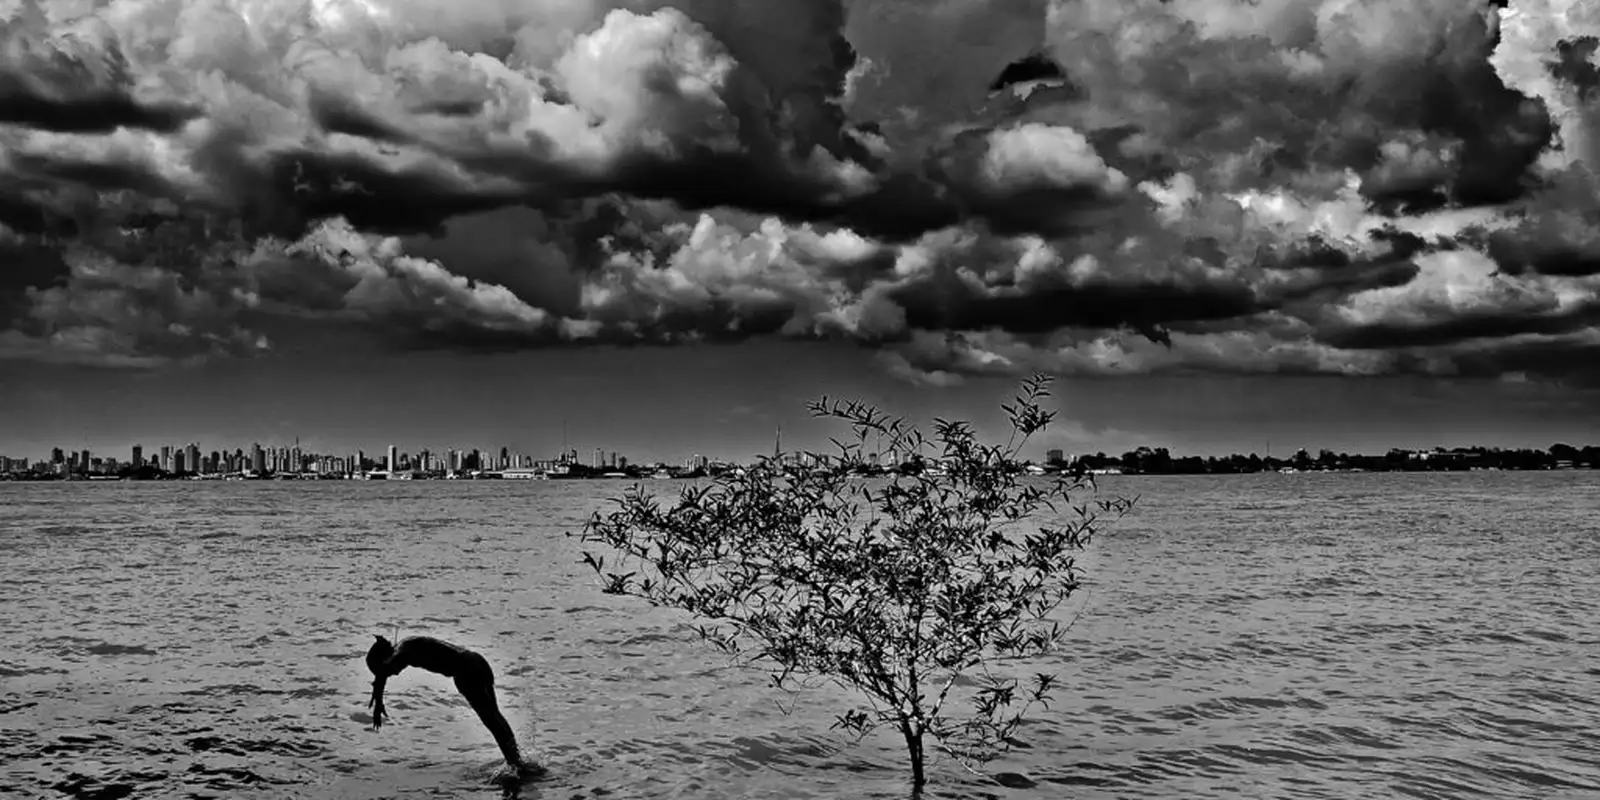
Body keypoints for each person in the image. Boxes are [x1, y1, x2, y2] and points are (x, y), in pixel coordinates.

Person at [365, 634, 537, 777]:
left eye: (386, 671)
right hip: (476, 660)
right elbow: (385, 669)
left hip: (466, 671)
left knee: (491, 720)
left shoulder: (402, 651)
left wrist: (378, 697)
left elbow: (386, 668)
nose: (393, 674)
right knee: (495, 716)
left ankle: (515, 766)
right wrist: (379, 695)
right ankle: (516, 761)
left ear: (385, 658)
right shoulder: (406, 644)